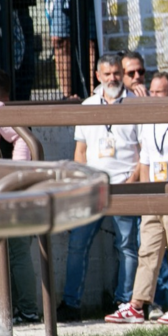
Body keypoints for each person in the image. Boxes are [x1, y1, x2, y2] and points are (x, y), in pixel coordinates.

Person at [56, 53, 140, 322]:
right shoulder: (87, 105)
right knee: (77, 244)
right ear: (97, 76)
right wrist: (84, 182)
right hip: (93, 188)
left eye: (116, 73)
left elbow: (143, 150)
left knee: (127, 246)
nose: (113, 78)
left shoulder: (136, 104)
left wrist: (133, 180)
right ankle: (71, 304)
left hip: (124, 185)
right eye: (107, 74)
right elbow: (80, 151)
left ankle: (125, 302)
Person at [105, 72, 168, 326]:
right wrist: (143, 195)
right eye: (151, 91)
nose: (153, 96)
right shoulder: (148, 120)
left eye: (159, 92)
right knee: (147, 252)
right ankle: (137, 305)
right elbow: (145, 160)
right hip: (154, 193)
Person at [0, 68, 41, 324]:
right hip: (19, 189)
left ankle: (25, 309)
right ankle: (22, 309)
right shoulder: (13, 114)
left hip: (11, 191)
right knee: (15, 252)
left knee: (14, 251)